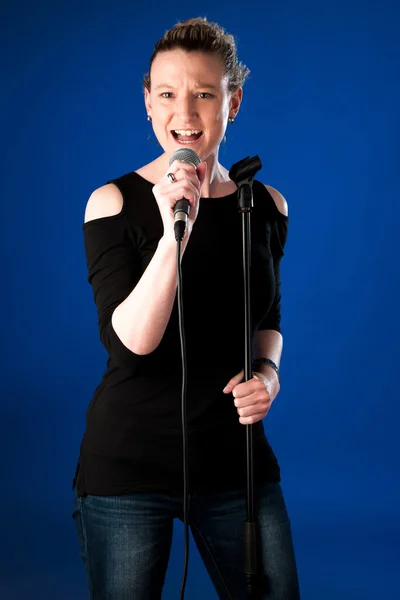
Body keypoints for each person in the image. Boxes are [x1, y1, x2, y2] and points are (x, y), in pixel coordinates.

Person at [72, 17, 300, 600]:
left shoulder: (266, 205)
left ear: (234, 101)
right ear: (147, 102)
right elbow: (132, 343)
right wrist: (177, 233)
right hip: (130, 466)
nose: (186, 115)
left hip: (235, 464)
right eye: (169, 94)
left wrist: (269, 376)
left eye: (204, 94)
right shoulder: (114, 203)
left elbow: (267, 320)